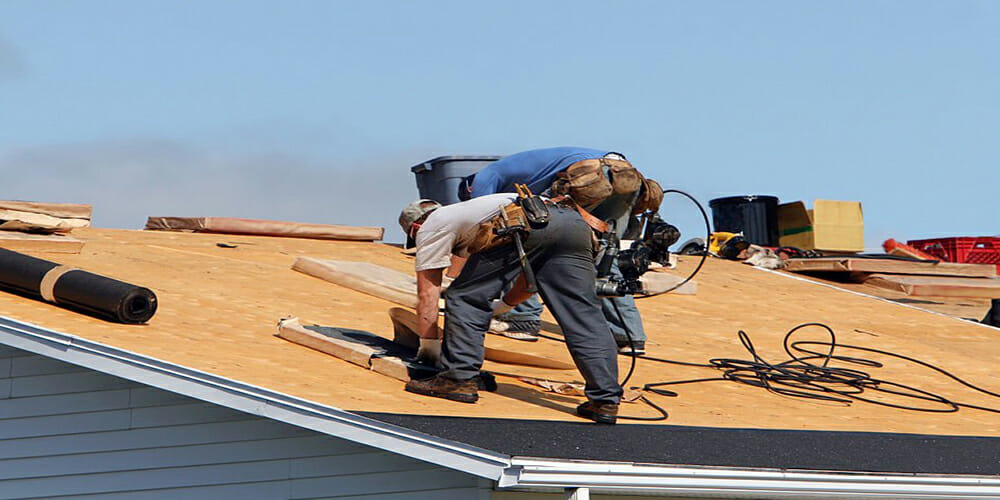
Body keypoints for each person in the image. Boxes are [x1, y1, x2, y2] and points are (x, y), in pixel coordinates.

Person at [398, 194, 623, 424]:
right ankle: (604, 400)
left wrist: (429, 349)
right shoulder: (471, 213)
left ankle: (458, 379)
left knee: (465, 297)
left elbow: (428, 295)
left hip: (518, 220)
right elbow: (529, 281)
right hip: (572, 224)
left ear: (416, 226)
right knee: (583, 315)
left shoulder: (433, 224)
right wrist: (503, 306)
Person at [459, 146, 650, 354]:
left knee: (520, 238)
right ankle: (628, 335)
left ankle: (523, 318)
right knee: (604, 252)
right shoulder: (525, 177)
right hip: (627, 175)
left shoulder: (482, 179)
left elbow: (480, 221)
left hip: (593, 174)